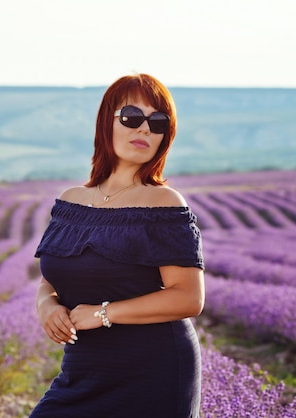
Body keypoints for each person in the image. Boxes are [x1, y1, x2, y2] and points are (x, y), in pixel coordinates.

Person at [30, 73, 205, 418]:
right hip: (83, 371)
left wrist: (102, 313)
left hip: (154, 372)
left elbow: (188, 297)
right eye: (131, 117)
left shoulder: (163, 203)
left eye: (157, 123)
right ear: (106, 122)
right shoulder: (71, 202)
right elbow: (51, 280)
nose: (144, 130)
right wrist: (47, 307)